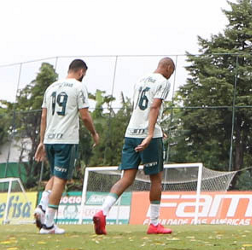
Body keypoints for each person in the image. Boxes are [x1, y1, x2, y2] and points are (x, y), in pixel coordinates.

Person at [93, 57, 176, 235]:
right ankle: (154, 224)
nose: (170, 76)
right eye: (172, 72)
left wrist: (157, 129)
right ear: (168, 68)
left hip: (130, 133)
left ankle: (102, 212)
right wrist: (151, 133)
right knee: (156, 179)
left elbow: (140, 110)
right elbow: (154, 107)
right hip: (148, 136)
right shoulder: (163, 82)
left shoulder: (140, 81)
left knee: (126, 178)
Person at [33, 60, 99, 234]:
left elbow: (43, 117)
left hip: (49, 139)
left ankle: (42, 206)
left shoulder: (51, 87)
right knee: (61, 180)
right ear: (81, 72)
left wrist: (41, 141)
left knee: (55, 176)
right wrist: (94, 133)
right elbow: (85, 116)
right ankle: (48, 224)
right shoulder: (78, 87)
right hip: (66, 139)